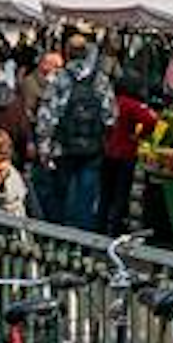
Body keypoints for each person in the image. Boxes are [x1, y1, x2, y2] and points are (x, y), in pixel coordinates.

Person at [34, 34, 115, 231]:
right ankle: (85, 245)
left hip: (63, 148)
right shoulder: (101, 79)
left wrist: (44, 149)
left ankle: (66, 242)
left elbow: (46, 117)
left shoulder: (58, 79)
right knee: (87, 199)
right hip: (93, 149)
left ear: (66, 53)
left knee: (63, 198)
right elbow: (111, 115)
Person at [101, 77, 160, 236]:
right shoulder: (132, 104)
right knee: (121, 192)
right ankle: (115, 228)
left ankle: (101, 224)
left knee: (106, 192)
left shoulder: (110, 102)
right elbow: (151, 119)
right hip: (125, 153)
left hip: (107, 152)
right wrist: (139, 135)